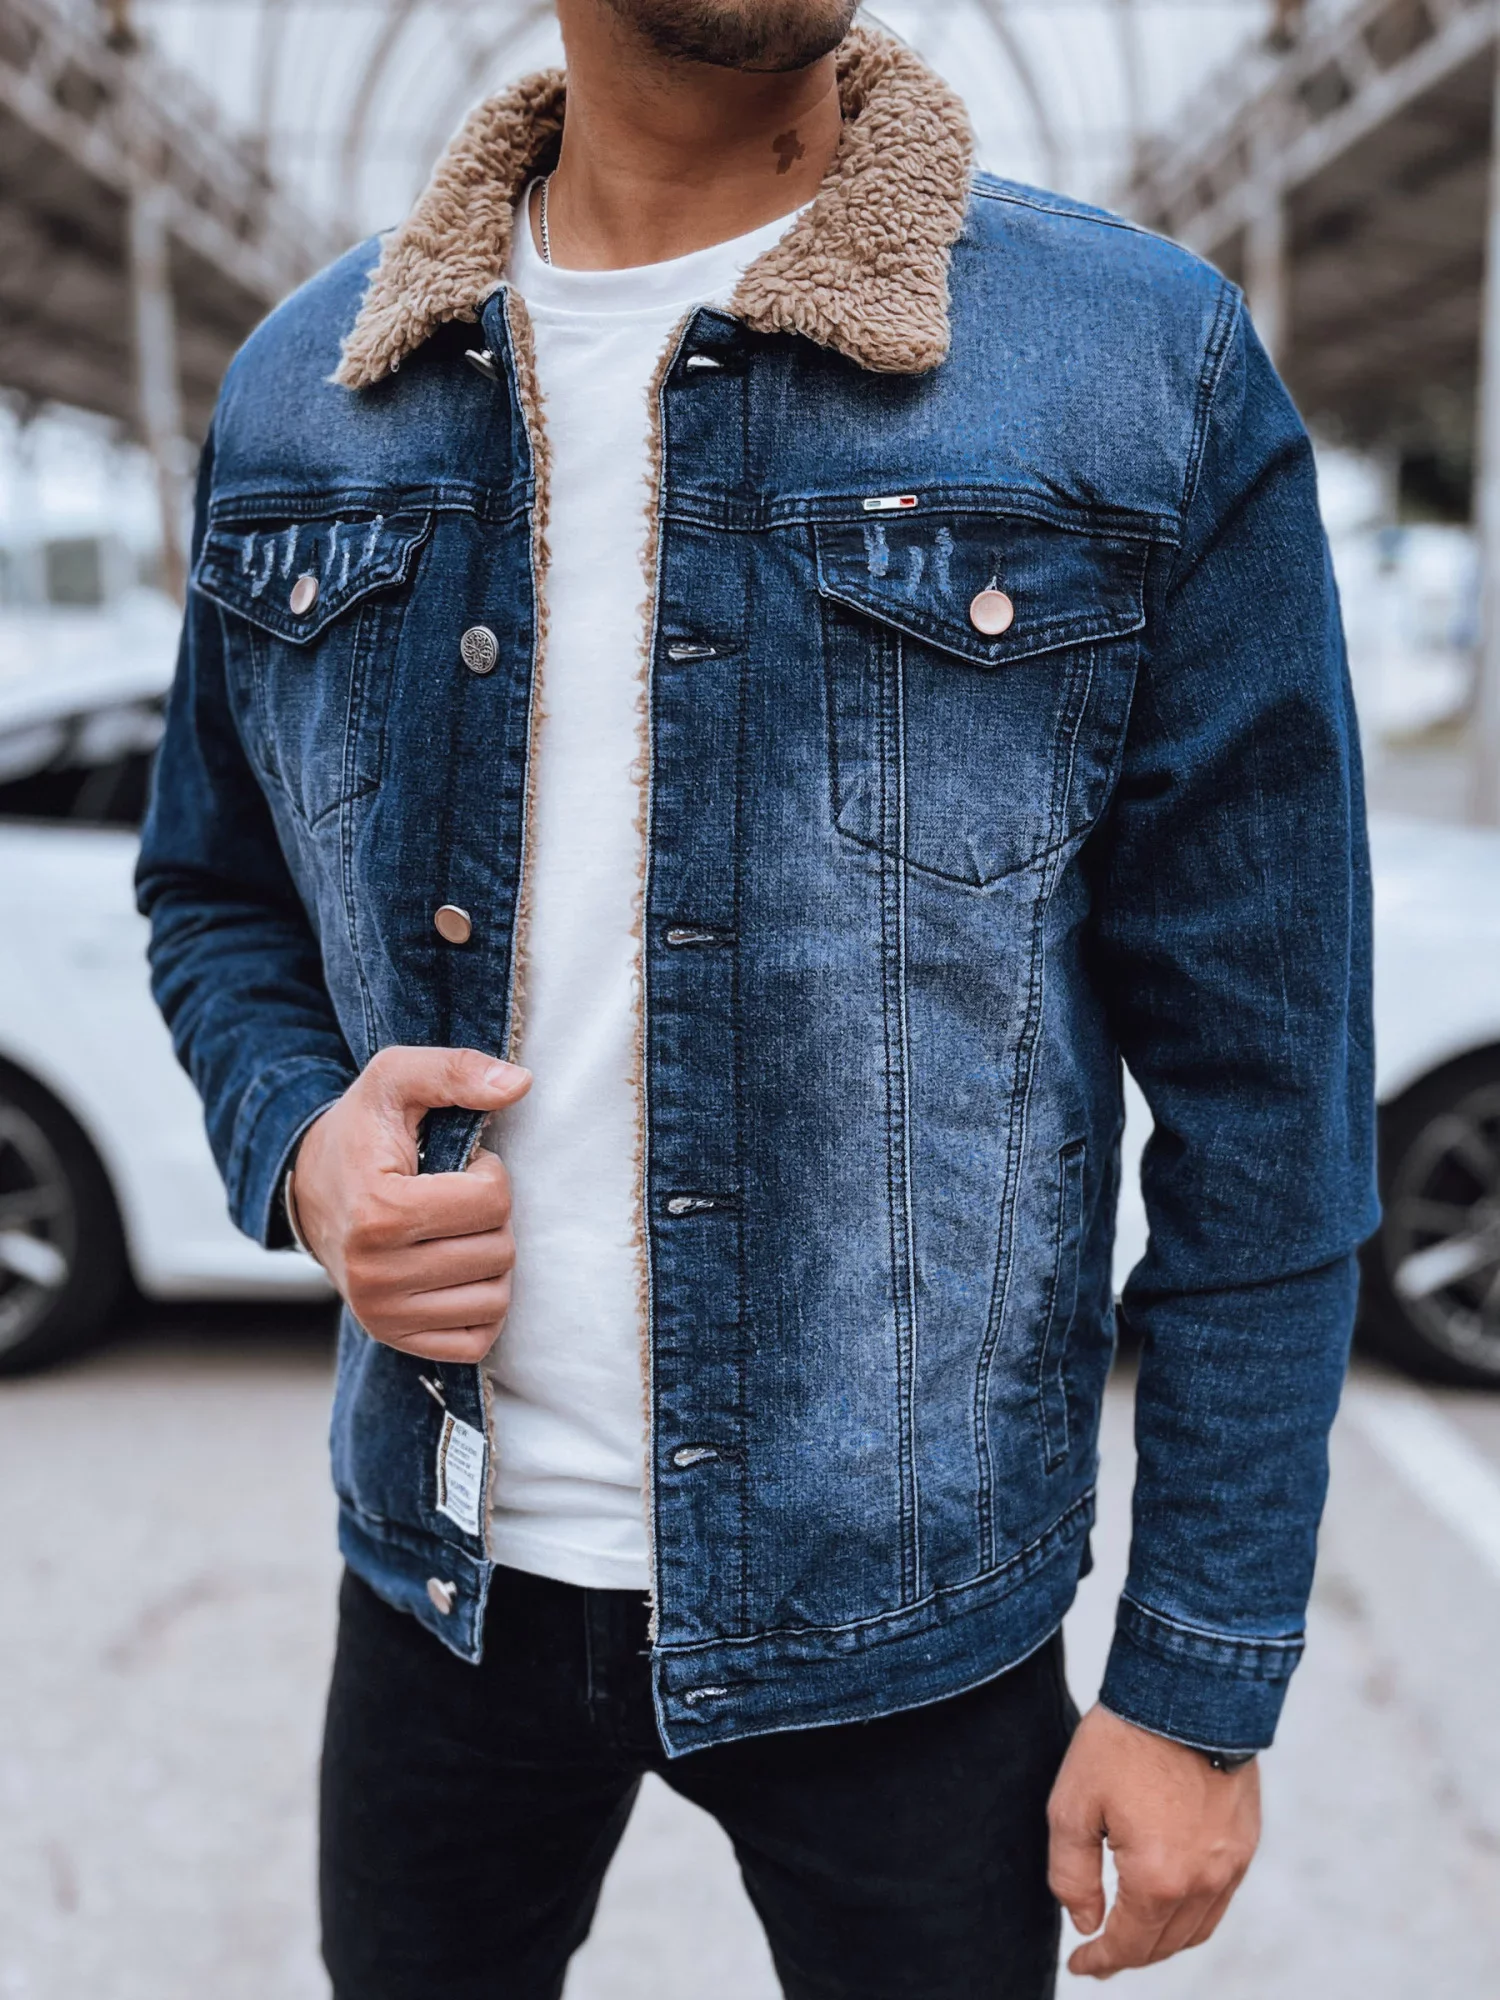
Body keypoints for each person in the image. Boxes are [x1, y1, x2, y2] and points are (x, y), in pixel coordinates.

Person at [136, 3, 1376, 1993]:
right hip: (445, 1582)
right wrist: (306, 1146)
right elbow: (213, 893)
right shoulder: (311, 389)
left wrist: (1197, 1679)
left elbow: (1268, 1091)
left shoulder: (1140, 370)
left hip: (916, 1622)